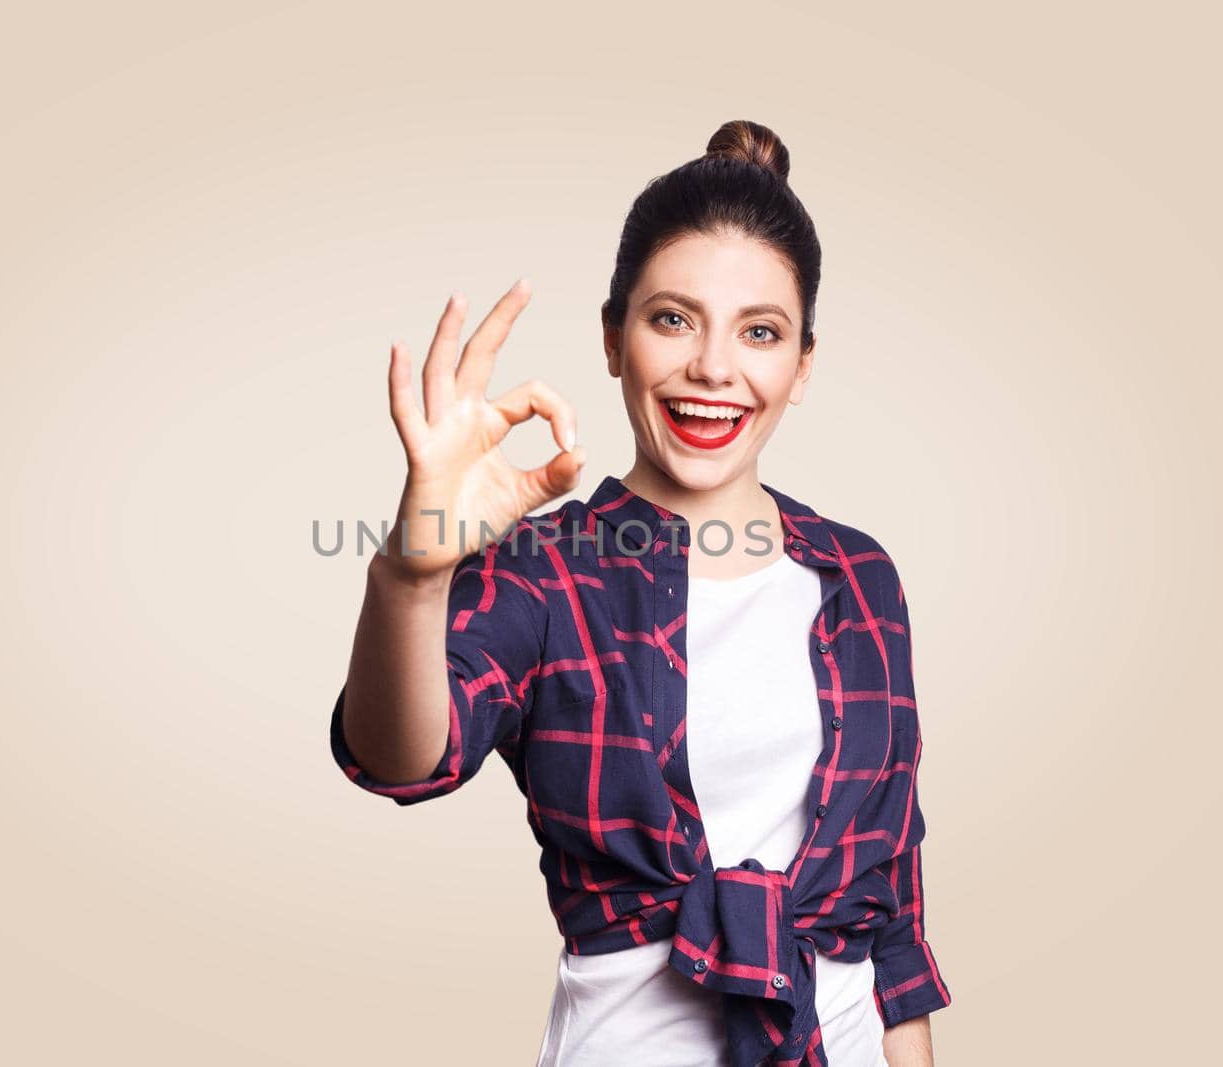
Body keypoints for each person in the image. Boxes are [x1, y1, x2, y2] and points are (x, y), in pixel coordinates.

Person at [328, 119, 952, 1067]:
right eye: (673, 319)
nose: (713, 367)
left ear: (803, 365)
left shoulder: (860, 578)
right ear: (614, 339)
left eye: (760, 332)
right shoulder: (550, 568)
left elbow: (892, 918)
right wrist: (411, 576)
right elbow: (403, 757)